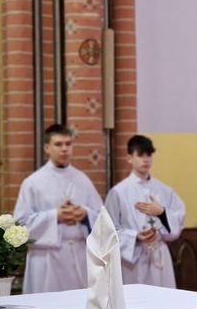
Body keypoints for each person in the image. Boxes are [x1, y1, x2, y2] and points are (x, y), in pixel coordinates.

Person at [13, 124, 103, 293]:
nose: (64, 149)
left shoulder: (82, 179)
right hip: (47, 259)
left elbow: (103, 219)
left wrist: (85, 214)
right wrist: (55, 216)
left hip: (79, 255)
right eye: (58, 144)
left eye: (68, 144)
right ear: (47, 148)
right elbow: (20, 225)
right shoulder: (33, 182)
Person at [104, 135, 185, 288]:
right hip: (134, 258)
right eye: (140, 155)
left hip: (160, 254)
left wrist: (161, 212)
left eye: (148, 155)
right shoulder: (119, 192)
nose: (145, 160)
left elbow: (178, 219)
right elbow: (108, 231)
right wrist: (135, 236)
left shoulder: (164, 190)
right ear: (129, 158)